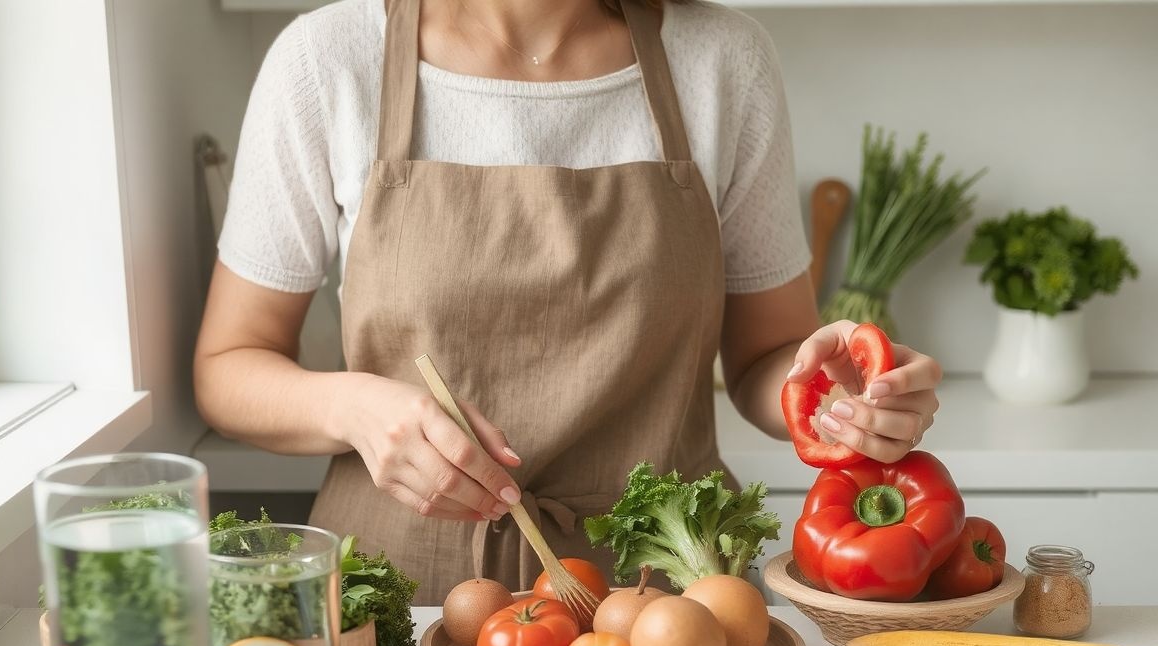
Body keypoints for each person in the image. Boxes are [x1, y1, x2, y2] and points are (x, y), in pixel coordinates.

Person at [194, 0, 942, 602]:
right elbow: (228, 367)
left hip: (666, 597)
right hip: (402, 595)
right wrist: (354, 408)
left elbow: (765, 358)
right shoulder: (326, 59)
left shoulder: (722, 60)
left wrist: (839, 401)